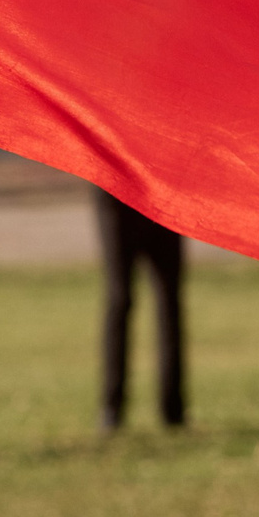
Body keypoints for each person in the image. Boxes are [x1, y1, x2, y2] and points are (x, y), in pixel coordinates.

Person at [94, 185, 184, 432]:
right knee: (120, 299)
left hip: (163, 195)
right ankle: (112, 410)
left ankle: (174, 411)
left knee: (169, 303)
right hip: (115, 193)